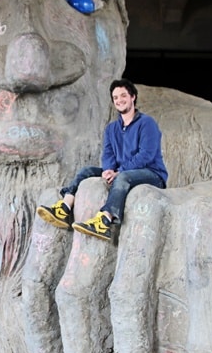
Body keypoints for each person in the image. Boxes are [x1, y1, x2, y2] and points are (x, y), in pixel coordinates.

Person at [36, 79, 168, 241]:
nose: (119, 100)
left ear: (133, 97)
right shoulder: (112, 128)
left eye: (123, 95)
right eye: (116, 97)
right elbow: (108, 154)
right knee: (86, 171)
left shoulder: (147, 123)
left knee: (123, 177)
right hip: (121, 171)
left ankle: (104, 222)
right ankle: (64, 208)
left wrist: (119, 172)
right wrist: (108, 170)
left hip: (152, 173)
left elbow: (146, 155)